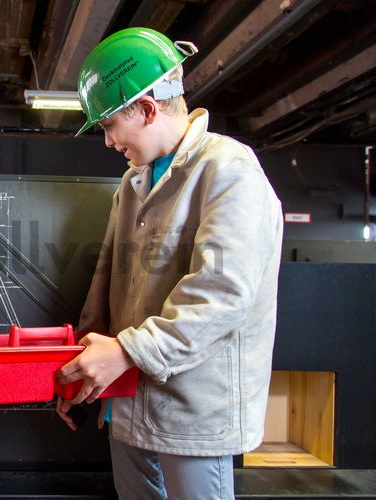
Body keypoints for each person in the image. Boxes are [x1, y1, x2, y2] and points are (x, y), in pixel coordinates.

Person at [55, 28, 283, 499]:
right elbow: (108, 278)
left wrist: (122, 353)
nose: (108, 141)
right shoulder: (132, 183)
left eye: (108, 124)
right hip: (126, 403)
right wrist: (83, 363)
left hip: (192, 412)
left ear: (147, 109)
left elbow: (221, 294)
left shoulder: (228, 169)